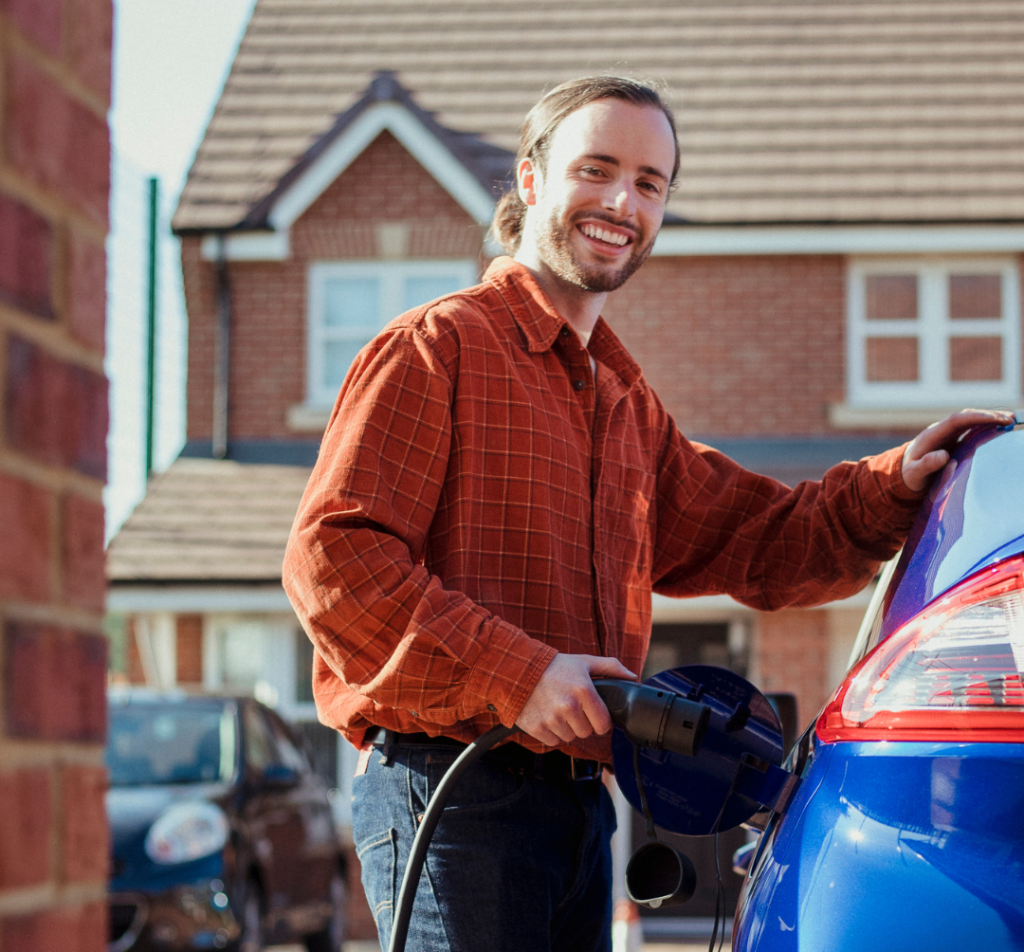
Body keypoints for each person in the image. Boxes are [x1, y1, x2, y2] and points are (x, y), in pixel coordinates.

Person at [282, 76, 1012, 952]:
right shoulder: (437, 350)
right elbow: (332, 562)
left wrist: (901, 481)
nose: (623, 202)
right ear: (530, 180)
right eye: (597, 170)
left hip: (580, 803)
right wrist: (520, 675)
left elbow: (762, 537)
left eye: (650, 182)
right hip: (450, 791)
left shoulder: (624, 404)